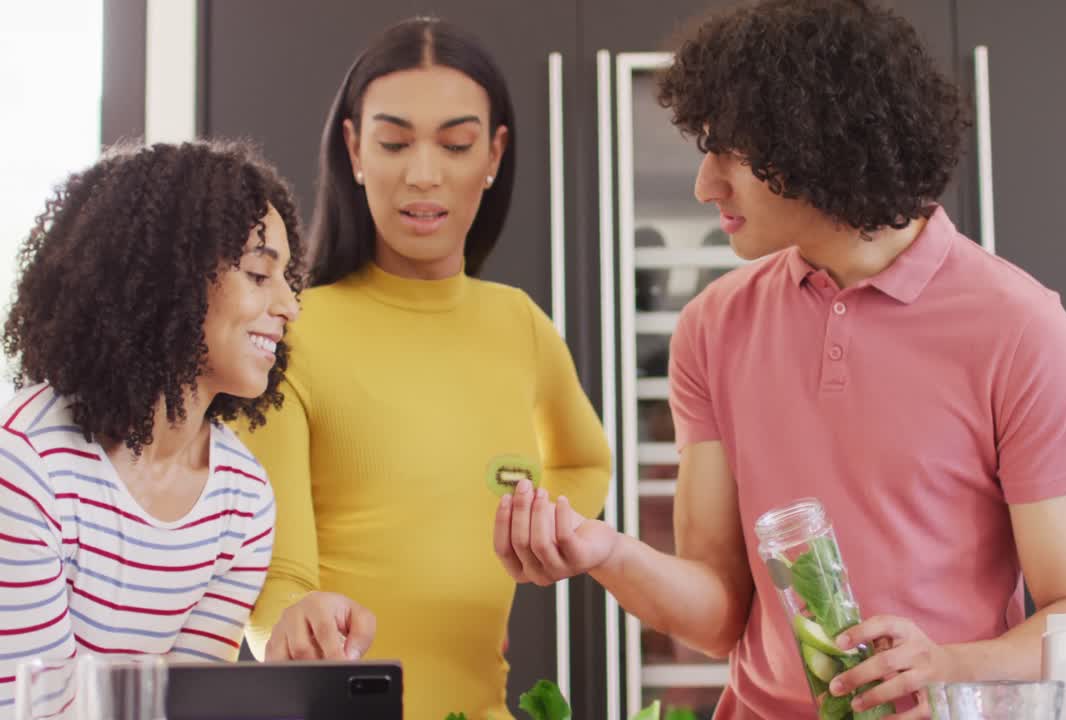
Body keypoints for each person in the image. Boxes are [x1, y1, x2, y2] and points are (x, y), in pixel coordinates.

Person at [494, 0, 1066, 717]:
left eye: (732, 152)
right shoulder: (714, 326)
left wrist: (945, 665)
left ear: (820, 140)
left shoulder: (1021, 330)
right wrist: (604, 552)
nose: (706, 184)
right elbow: (720, 613)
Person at [236, 17, 611, 719]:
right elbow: (276, 583)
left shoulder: (519, 324)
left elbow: (586, 464)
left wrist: (533, 538)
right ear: (353, 148)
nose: (424, 174)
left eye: (458, 143)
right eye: (394, 141)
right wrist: (295, 625)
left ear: (494, 154)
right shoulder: (294, 331)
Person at [0, 141, 302, 718]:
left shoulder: (243, 498)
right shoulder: (24, 465)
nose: (289, 304)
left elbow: (183, 708)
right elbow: (31, 710)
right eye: (260, 272)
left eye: (287, 277)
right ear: (174, 281)